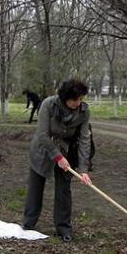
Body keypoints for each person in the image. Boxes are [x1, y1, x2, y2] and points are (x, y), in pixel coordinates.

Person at [22, 79, 92, 243]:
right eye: (76, 99)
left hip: (66, 152)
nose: (79, 102)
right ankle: (28, 224)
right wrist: (57, 156)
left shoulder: (83, 111)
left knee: (64, 190)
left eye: (81, 99)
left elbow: (84, 140)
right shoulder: (48, 105)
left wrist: (83, 169)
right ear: (65, 98)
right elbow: (42, 135)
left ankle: (63, 228)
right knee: (35, 187)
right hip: (42, 149)